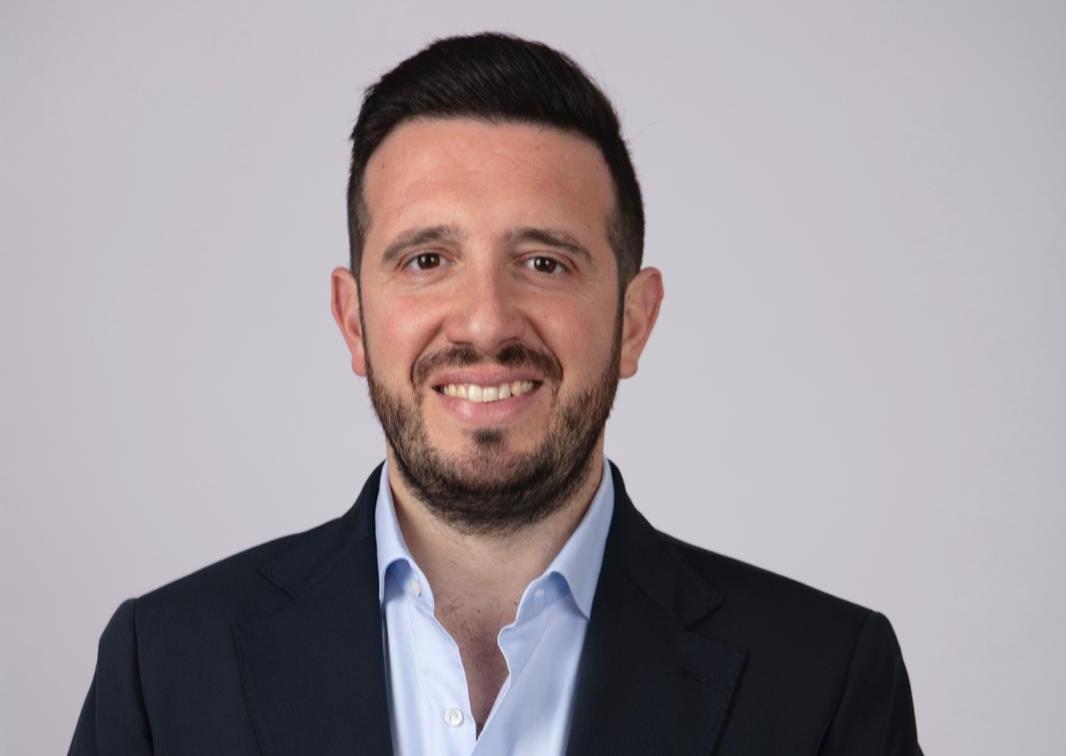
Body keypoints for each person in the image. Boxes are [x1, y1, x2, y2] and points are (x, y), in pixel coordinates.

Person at [69, 32, 922, 756]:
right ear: (354, 320)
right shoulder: (164, 670)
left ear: (632, 322)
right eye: (427, 260)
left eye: (544, 262)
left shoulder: (825, 683)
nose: (485, 322)